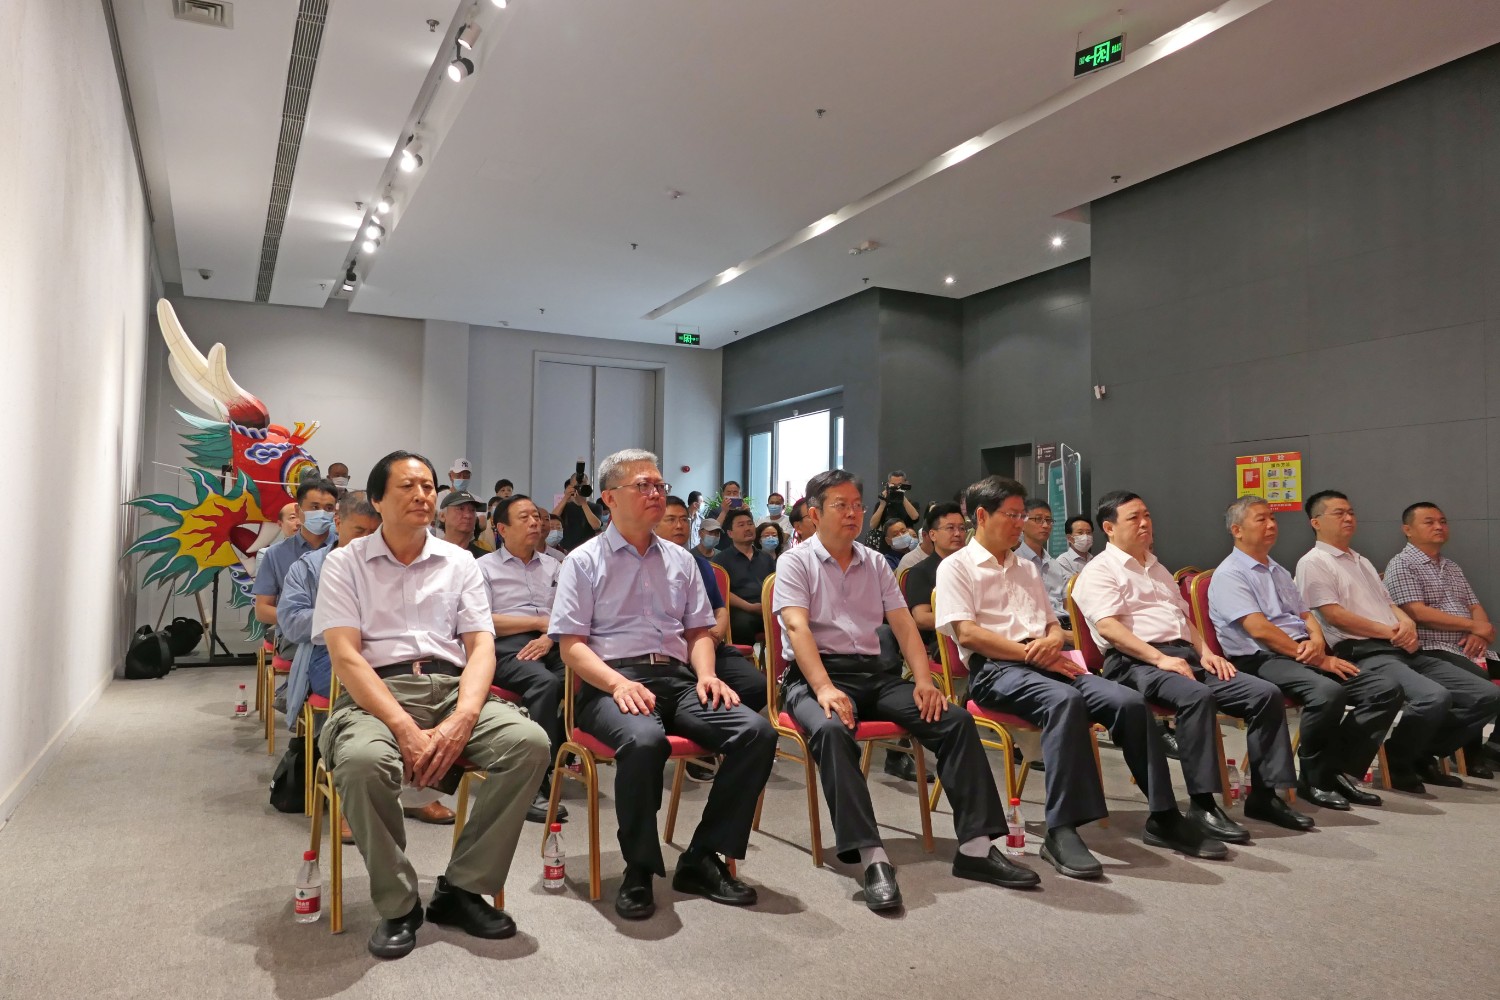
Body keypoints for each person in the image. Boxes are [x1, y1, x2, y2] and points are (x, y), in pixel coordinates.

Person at [314, 450, 552, 960]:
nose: (423, 495)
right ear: (377, 500)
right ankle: (399, 904)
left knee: (529, 743)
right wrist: (403, 726)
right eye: (408, 486)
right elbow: (346, 656)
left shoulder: (459, 562)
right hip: (377, 694)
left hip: (450, 688)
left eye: (428, 486)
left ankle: (462, 889)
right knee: (361, 761)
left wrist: (464, 715)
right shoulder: (345, 563)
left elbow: (481, 647)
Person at [774, 469, 1037, 912]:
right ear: (814, 514)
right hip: (815, 676)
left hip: (875, 675)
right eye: (841, 505)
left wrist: (924, 681)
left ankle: (976, 848)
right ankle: (872, 856)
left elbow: (904, 625)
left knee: (954, 720)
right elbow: (797, 627)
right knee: (832, 729)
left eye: (857, 505)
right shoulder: (795, 562)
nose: (853, 513)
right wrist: (823, 688)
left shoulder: (876, 562)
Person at [939, 477, 1216, 875]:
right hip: (997, 670)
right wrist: (1033, 654)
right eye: (1012, 515)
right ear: (981, 516)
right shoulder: (957, 567)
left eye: (1022, 515)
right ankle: (1061, 830)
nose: (1020, 523)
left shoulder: (1026, 569)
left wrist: (1052, 643)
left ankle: (1164, 815)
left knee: (1128, 701)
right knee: (1065, 701)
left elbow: (1053, 625)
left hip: (1047, 661)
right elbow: (967, 634)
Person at [550, 449, 777, 920]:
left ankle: (702, 857)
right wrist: (617, 684)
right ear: (610, 498)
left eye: (660, 485)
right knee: (644, 740)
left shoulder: (680, 559)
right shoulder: (583, 561)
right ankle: (639, 867)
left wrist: (708, 674)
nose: (656, 494)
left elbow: (698, 633)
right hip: (611, 682)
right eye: (644, 486)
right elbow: (571, 647)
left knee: (756, 732)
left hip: (678, 677)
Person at [1072, 490, 1311, 843]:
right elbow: (1109, 629)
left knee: (1264, 694)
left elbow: (1183, 620)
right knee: (1196, 697)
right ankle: (1203, 804)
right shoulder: (1099, 571)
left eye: (1147, 515)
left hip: (1182, 656)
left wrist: (1207, 652)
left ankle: (1264, 796)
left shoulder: (1156, 567)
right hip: (1135, 662)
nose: (1145, 523)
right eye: (1134, 518)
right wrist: (1160, 659)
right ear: (1109, 528)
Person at [1295, 491, 1499, 792]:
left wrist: (1406, 624)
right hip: (1364, 651)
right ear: (1316, 522)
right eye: (1339, 513)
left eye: (1351, 512)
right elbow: (1335, 616)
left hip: (1401, 647)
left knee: (1486, 694)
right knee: (1433, 697)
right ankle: (1400, 761)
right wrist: (1390, 631)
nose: (1349, 518)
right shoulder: (1314, 562)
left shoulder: (1360, 560)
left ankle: (1420, 754)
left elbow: (1390, 604)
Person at [1208, 496, 1401, 809]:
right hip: (1261, 659)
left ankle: (1334, 771)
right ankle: (1314, 780)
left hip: (1301, 653)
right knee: (1327, 692)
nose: (1271, 525)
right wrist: (1318, 656)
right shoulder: (1230, 573)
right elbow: (1259, 629)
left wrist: (1315, 640)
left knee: (1384, 689)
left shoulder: (1278, 570)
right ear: (1237, 530)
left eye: (1273, 518)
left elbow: (1305, 614)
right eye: (1261, 519)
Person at [477, 494, 572, 823]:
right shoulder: (483, 568)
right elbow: (483, 620)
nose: (535, 523)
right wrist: (537, 623)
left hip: (551, 641)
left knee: (585, 675)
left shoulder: (555, 565)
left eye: (536, 516)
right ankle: (533, 782)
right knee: (544, 683)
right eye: (525, 518)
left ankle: (556, 754)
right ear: (502, 528)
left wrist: (548, 636)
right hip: (506, 645)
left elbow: (566, 613)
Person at [1385, 501, 1500, 770]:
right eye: (1429, 522)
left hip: (1466, 647)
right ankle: (1428, 750)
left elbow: (1474, 606)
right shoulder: (1402, 564)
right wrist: (1472, 627)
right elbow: (1416, 612)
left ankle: (1494, 748)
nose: (1439, 526)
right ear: (1407, 530)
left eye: (1443, 521)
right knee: (1479, 682)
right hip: (1430, 649)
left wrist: (1479, 634)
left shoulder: (1451, 566)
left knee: (1481, 676)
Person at [882, 501, 966, 784]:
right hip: (937, 647)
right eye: (950, 528)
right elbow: (920, 618)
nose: (958, 533)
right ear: (932, 534)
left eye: (961, 528)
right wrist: (965, 623)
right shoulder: (922, 571)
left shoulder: (973, 569)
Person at [254, 478, 339, 659]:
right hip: (295, 637)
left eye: (328, 508)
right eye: (314, 507)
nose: (322, 513)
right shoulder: (276, 554)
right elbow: (262, 610)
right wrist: (299, 618)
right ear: (298, 511)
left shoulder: (344, 548)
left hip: (342, 632)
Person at [1014, 498, 1075, 635]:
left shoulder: (1055, 565)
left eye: (1049, 520)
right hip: (1038, 630)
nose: (1046, 525)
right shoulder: (1014, 562)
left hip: (1065, 624)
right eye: (1038, 519)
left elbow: (1067, 605)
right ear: (1022, 523)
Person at [720, 507, 777, 644]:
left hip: (767, 609)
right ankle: (744, 657)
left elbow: (775, 585)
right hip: (741, 610)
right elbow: (721, 591)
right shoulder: (721, 559)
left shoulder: (766, 558)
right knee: (742, 624)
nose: (747, 528)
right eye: (741, 525)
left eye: (750, 524)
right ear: (730, 533)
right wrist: (749, 607)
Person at [553, 471, 603, 551]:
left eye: (584, 486)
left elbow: (596, 526)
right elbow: (552, 518)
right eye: (577, 486)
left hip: (588, 550)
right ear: (570, 487)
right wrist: (566, 497)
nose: (580, 488)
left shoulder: (596, 507)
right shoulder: (565, 506)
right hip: (567, 550)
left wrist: (583, 502)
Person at [438, 490, 488, 557]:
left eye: (472, 510)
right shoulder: (429, 554)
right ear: (442, 516)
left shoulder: (484, 559)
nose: (468, 515)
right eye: (460, 509)